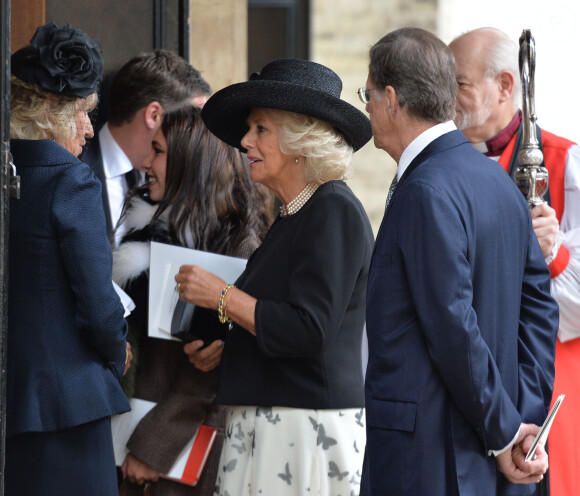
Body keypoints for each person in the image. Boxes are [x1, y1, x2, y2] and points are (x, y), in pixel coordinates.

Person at [359, 27, 559, 496]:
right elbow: (539, 311)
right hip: (479, 455)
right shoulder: (496, 182)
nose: (365, 106)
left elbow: (452, 326)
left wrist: (506, 430)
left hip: (427, 460)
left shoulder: (424, 190)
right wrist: (519, 419)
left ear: (391, 99)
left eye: (366, 94)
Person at [174, 58, 374, 496]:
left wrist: (221, 296)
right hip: (276, 422)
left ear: (302, 140)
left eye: (260, 129)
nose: (245, 141)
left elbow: (309, 330)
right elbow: (281, 320)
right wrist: (229, 346)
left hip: (304, 431)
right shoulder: (294, 214)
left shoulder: (333, 209)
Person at [112, 105, 272, 495]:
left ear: (192, 162)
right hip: (124, 432)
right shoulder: (144, 231)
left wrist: (153, 447)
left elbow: (209, 371)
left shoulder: (239, 246)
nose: (146, 162)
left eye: (159, 151)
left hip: (180, 448)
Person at [449, 27, 580, 496]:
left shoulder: (566, 163)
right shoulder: (444, 167)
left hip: (547, 385)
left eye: (459, 83)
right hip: (470, 387)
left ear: (506, 86)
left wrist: (554, 255)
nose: (449, 98)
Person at [6, 22, 132, 496]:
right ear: (46, 114)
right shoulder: (69, 180)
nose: (88, 128)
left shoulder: (10, 173)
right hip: (68, 404)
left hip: (16, 403)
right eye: (80, 113)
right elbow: (99, 305)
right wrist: (116, 348)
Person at [81, 49, 211, 246]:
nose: (202, 133)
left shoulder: (190, 180)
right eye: (190, 120)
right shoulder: (73, 171)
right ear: (153, 115)